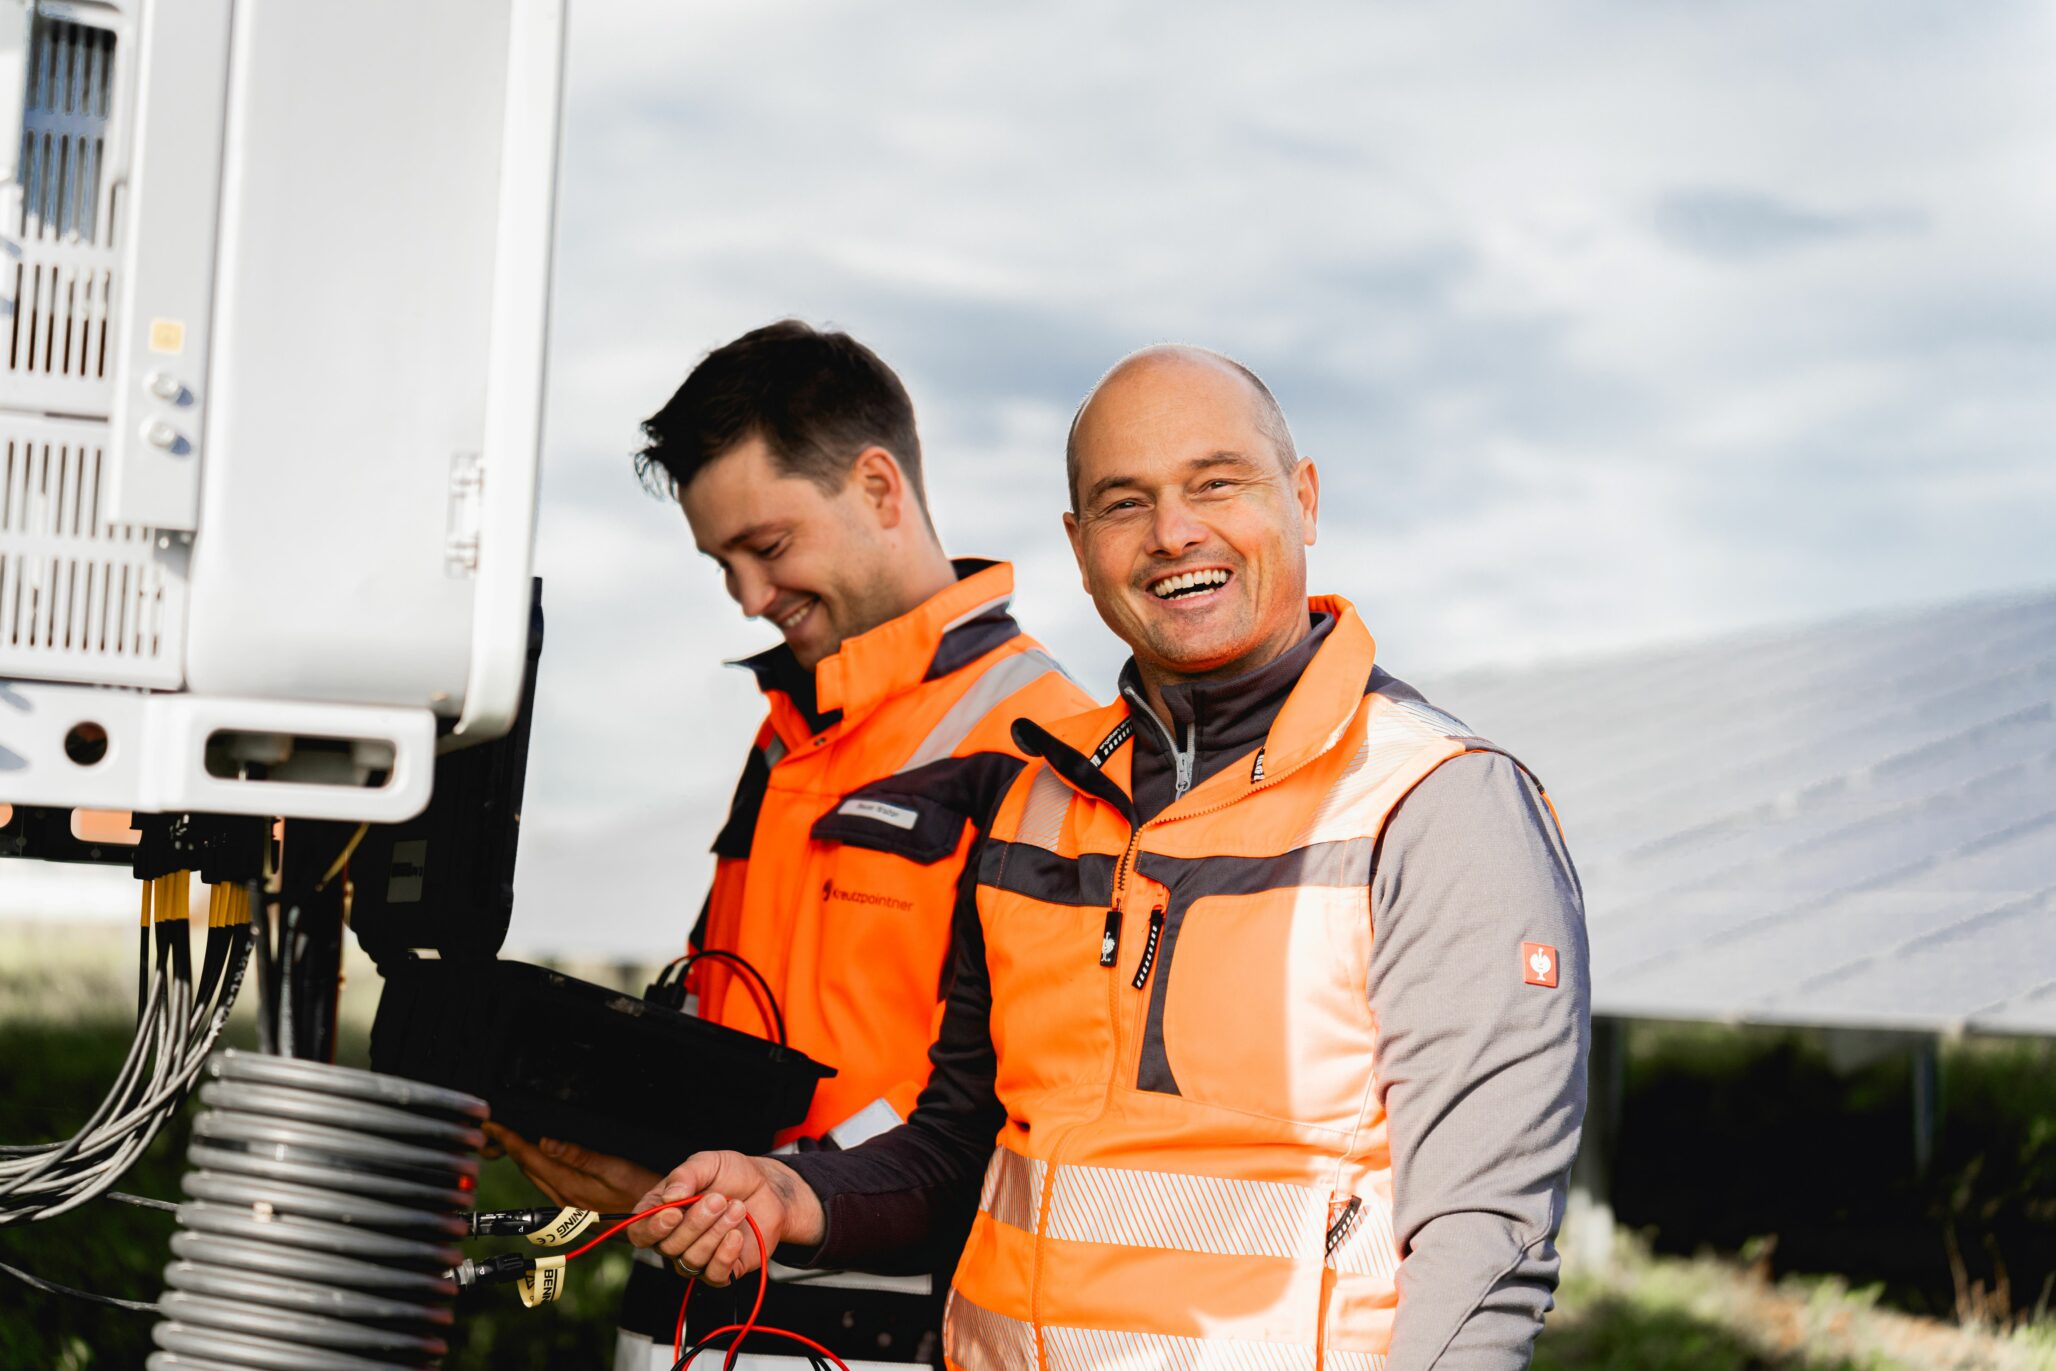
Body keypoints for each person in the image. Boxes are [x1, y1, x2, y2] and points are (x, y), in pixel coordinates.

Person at [629, 344, 1591, 1371]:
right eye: (1124, 503)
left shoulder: (1437, 804)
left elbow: (1485, 1245)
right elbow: (960, 1146)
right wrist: (794, 1195)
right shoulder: (1032, 800)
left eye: (1214, 484)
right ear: (1080, 548)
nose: (1174, 534)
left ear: (1303, 501)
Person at [491, 321, 1094, 1371]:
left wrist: (757, 1198)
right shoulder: (788, 740)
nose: (749, 599)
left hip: (871, 1343)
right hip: (678, 1324)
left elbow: (1017, 1134)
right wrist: (613, 1143)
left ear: (877, 487)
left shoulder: (1040, 746)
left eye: (766, 549)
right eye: (722, 563)